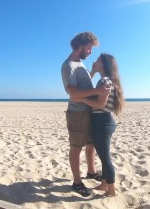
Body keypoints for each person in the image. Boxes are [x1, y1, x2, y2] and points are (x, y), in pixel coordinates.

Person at [61, 32, 110, 197]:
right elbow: (73, 91)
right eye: (89, 48)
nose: (90, 52)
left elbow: (83, 83)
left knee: (91, 144)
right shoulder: (68, 65)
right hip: (77, 113)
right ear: (79, 46)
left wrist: (94, 72)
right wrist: (97, 90)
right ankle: (76, 182)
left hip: (88, 110)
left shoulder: (79, 63)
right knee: (76, 147)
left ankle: (91, 171)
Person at [72, 53, 124, 197]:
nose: (95, 60)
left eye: (98, 60)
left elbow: (100, 104)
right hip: (105, 121)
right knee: (103, 155)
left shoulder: (104, 81)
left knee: (105, 158)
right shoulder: (107, 80)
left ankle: (111, 191)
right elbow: (88, 85)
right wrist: (93, 71)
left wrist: (81, 99)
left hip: (101, 122)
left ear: (104, 64)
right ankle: (104, 184)